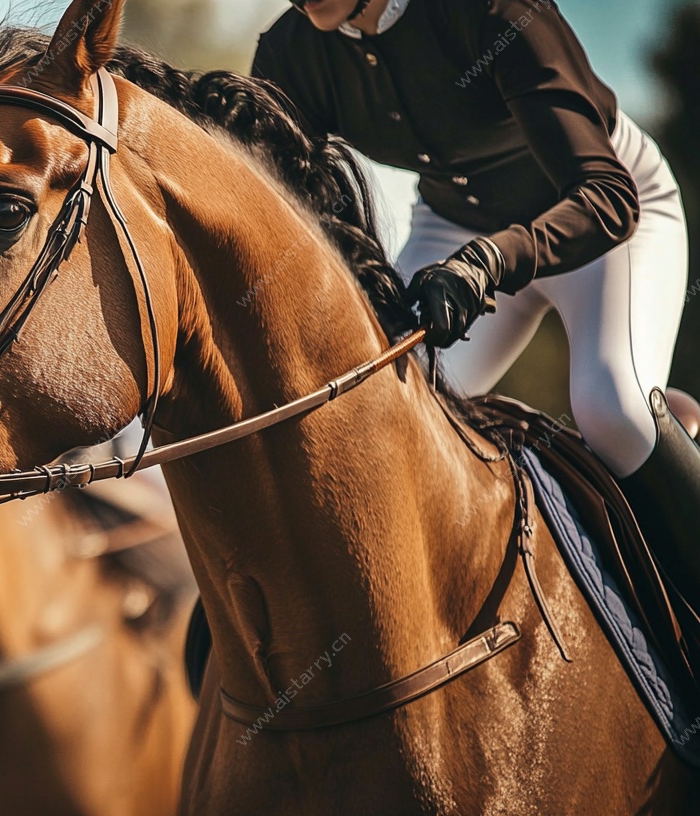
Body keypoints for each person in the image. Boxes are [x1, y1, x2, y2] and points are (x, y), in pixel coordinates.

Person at [253, 0, 699, 590]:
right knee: (367, 408)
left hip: (606, 219)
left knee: (611, 410)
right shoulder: (290, 53)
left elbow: (608, 197)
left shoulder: (493, 11)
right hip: (458, 226)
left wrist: (492, 259)